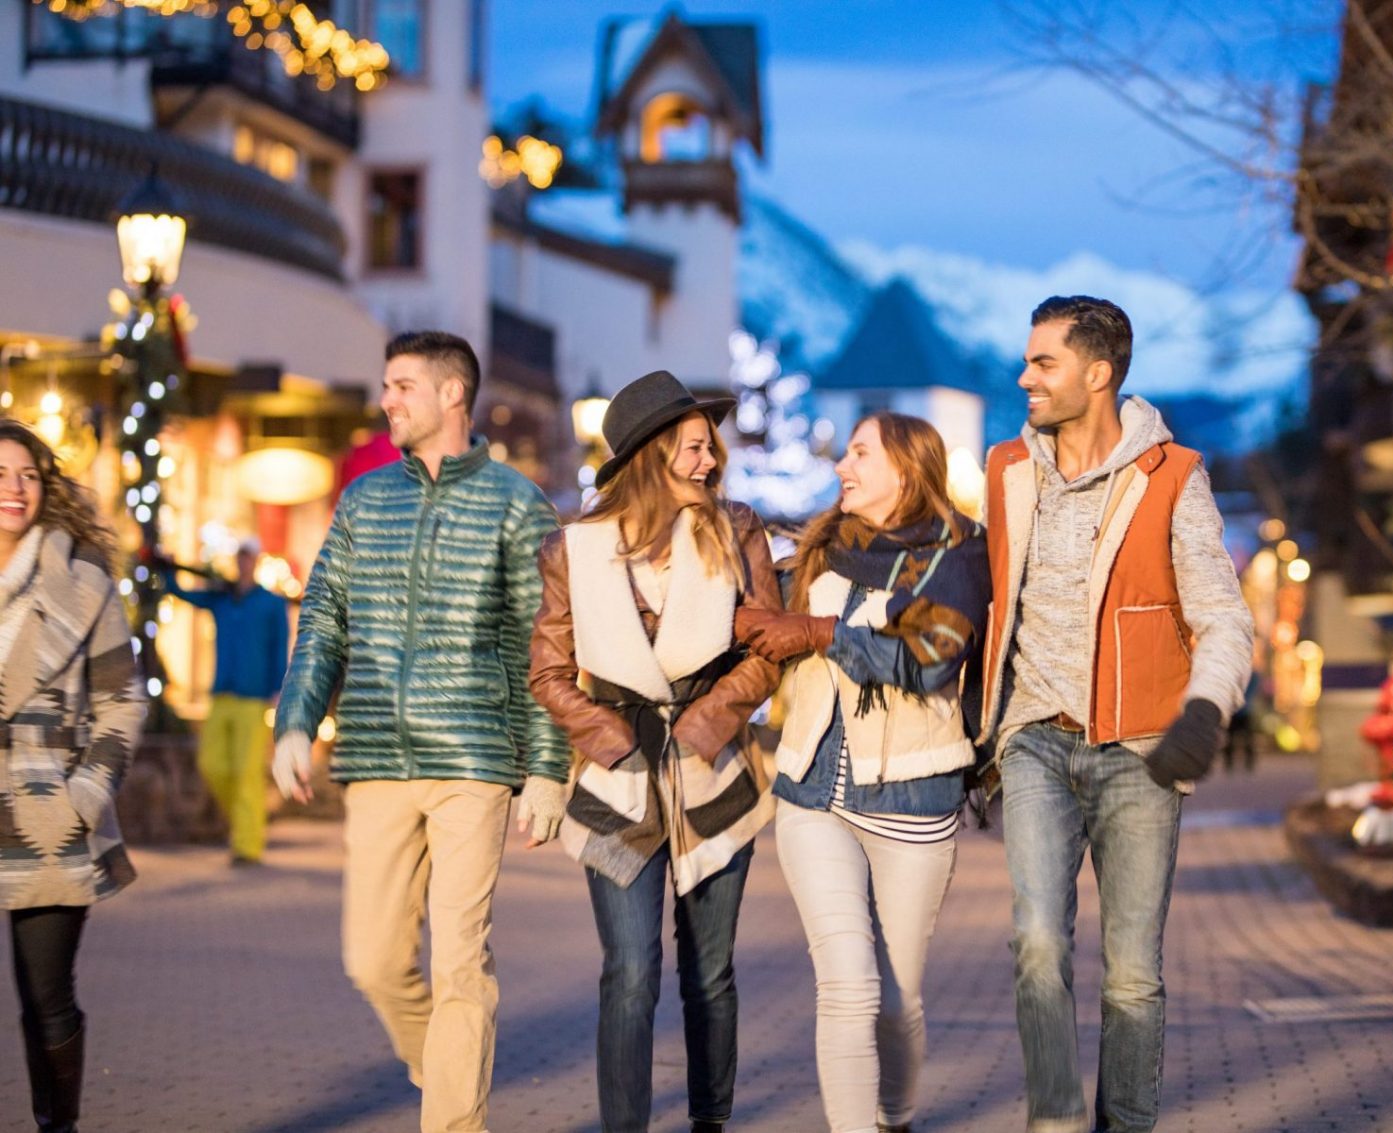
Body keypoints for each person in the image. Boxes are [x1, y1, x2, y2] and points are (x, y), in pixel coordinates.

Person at [271, 332, 569, 1133]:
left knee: (460, 961)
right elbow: (325, 618)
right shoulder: (367, 500)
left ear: (451, 395)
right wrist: (296, 721)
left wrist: (547, 768)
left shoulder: (515, 504)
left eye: (402, 385)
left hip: (474, 759)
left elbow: (545, 643)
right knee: (370, 958)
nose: (387, 400)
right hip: (374, 755)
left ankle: (453, 1119)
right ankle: (439, 1059)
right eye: (386, 384)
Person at [980, 297, 1255, 1133]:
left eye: (1043, 363)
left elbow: (1224, 617)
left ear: (1097, 375)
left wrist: (1204, 709)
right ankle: (1057, 1120)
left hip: (1142, 754)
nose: (1024, 377)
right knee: (1037, 943)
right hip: (1034, 737)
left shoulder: (1172, 475)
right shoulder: (1005, 470)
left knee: (1133, 973)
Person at [529, 369, 782, 1133]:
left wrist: (711, 716)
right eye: (696, 446)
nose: (712, 460)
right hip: (618, 783)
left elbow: (767, 646)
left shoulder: (737, 530)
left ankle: (712, 1121)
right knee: (631, 971)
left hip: (714, 773)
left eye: (712, 447)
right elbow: (546, 669)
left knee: (710, 974)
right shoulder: (575, 548)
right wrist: (605, 734)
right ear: (652, 452)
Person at [738, 412, 990, 1133]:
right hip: (811, 792)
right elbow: (757, 626)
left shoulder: (960, 553)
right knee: (847, 983)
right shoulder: (822, 547)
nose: (842, 465)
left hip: (914, 795)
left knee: (897, 996)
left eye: (859, 453)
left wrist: (820, 633)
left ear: (905, 471)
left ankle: (895, 1115)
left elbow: (930, 658)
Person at [0, 418, 146, 1133]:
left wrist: (85, 792)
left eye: (27, 474)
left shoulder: (83, 577)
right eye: (0, 475)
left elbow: (122, 699)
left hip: (45, 808)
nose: (14, 488)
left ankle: (58, 1126)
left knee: (45, 994)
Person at [162, 538, 290, 864]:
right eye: (240, 557)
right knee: (212, 764)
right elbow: (183, 593)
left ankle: (248, 845)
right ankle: (246, 820)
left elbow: (279, 647)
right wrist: (168, 570)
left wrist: (278, 688)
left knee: (247, 772)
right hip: (222, 694)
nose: (243, 563)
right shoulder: (222, 598)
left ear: (256, 560)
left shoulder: (270, 604)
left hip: (253, 698)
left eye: (249, 557)